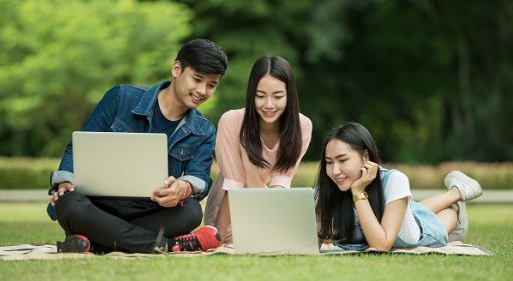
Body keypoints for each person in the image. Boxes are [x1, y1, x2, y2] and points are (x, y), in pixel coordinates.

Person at [48, 39, 228, 254]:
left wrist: (184, 187)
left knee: (190, 212)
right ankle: (168, 246)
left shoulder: (204, 130)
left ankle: (95, 241)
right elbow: (77, 148)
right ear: (176, 69)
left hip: (150, 210)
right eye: (197, 79)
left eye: (211, 85)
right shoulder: (120, 98)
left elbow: (199, 177)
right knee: (68, 203)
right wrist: (65, 181)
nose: (202, 90)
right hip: (96, 205)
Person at [315, 122, 482, 251]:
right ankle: (456, 191)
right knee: (412, 209)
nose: (335, 171)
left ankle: (456, 195)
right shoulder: (329, 188)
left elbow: (381, 245)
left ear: (365, 157)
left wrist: (358, 192)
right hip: (403, 211)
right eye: (329, 162)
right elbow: (322, 239)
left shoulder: (395, 180)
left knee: (446, 214)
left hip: (419, 232)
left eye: (343, 160)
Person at [204, 55, 313, 245]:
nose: (269, 105)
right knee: (231, 242)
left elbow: (281, 182)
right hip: (227, 210)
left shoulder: (302, 126)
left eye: (278, 96)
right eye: (260, 96)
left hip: (267, 206)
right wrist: (218, 241)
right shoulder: (232, 122)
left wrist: (273, 227)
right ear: (251, 94)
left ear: (290, 95)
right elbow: (233, 186)